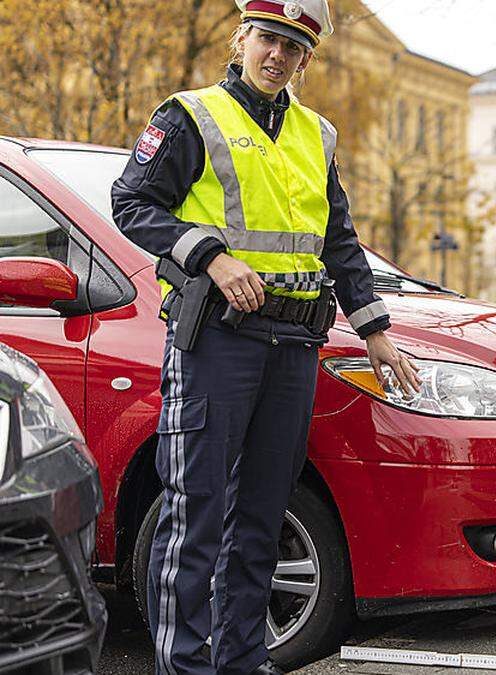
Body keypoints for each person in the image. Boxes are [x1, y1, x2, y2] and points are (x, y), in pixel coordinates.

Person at [110, 1, 421, 672]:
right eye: (269, 39)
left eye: (294, 46)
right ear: (242, 38)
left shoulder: (317, 135)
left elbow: (338, 239)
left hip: (294, 348)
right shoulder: (190, 116)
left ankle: (241, 658)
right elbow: (131, 203)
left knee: (260, 515)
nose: (277, 54)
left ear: (307, 59)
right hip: (219, 343)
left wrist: (376, 331)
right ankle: (186, 665)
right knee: (196, 513)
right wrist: (211, 256)